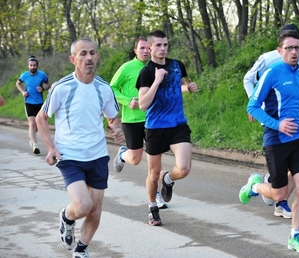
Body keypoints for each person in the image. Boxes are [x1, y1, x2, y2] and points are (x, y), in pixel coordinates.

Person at [36, 37, 124, 258]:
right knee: (83, 206)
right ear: (73, 59)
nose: (89, 58)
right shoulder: (61, 87)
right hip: (69, 155)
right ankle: (67, 216)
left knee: (95, 208)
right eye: (83, 54)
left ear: (97, 56)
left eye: (92, 53)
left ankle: (81, 249)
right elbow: (41, 118)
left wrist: (116, 128)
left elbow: (113, 117)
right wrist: (50, 147)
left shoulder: (104, 88)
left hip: (97, 155)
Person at [239, 30, 299, 254]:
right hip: (275, 138)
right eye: (289, 48)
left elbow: (295, 110)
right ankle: (254, 186)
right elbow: (252, 107)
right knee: (279, 195)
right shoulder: (271, 73)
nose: (294, 52)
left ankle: (295, 235)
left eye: (298, 48)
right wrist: (278, 125)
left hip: (297, 138)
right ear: (280, 51)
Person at [135, 30, 198, 226]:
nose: (162, 49)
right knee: (153, 174)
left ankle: (168, 179)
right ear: (150, 48)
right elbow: (143, 104)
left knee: (185, 168)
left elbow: (178, 86)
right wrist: (156, 80)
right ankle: (153, 207)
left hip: (178, 124)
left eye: (165, 45)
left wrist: (188, 88)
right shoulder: (146, 72)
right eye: (158, 46)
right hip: (155, 127)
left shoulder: (177, 65)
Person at [110, 36, 167, 209]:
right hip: (132, 120)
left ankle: (156, 194)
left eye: (146, 48)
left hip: (153, 120)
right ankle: (122, 154)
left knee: (154, 163)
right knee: (135, 159)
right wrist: (127, 101)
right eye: (141, 48)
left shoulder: (157, 68)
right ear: (135, 51)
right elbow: (111, 88)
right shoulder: (127, 68)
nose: (145, 51)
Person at [16, 55, 50, 154]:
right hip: (29, 102)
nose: (32, 67)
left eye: (34, 65)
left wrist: (43, 89)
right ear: (28, 66)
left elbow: (48, 84)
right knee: (32, 123)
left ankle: (31, 137)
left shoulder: (42, 75)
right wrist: (23, 92)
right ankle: (35, 145)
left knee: (39, 125)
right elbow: (17, 83)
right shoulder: (24, 75)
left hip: (39, 103)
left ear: (37, 66)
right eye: (31, 65)